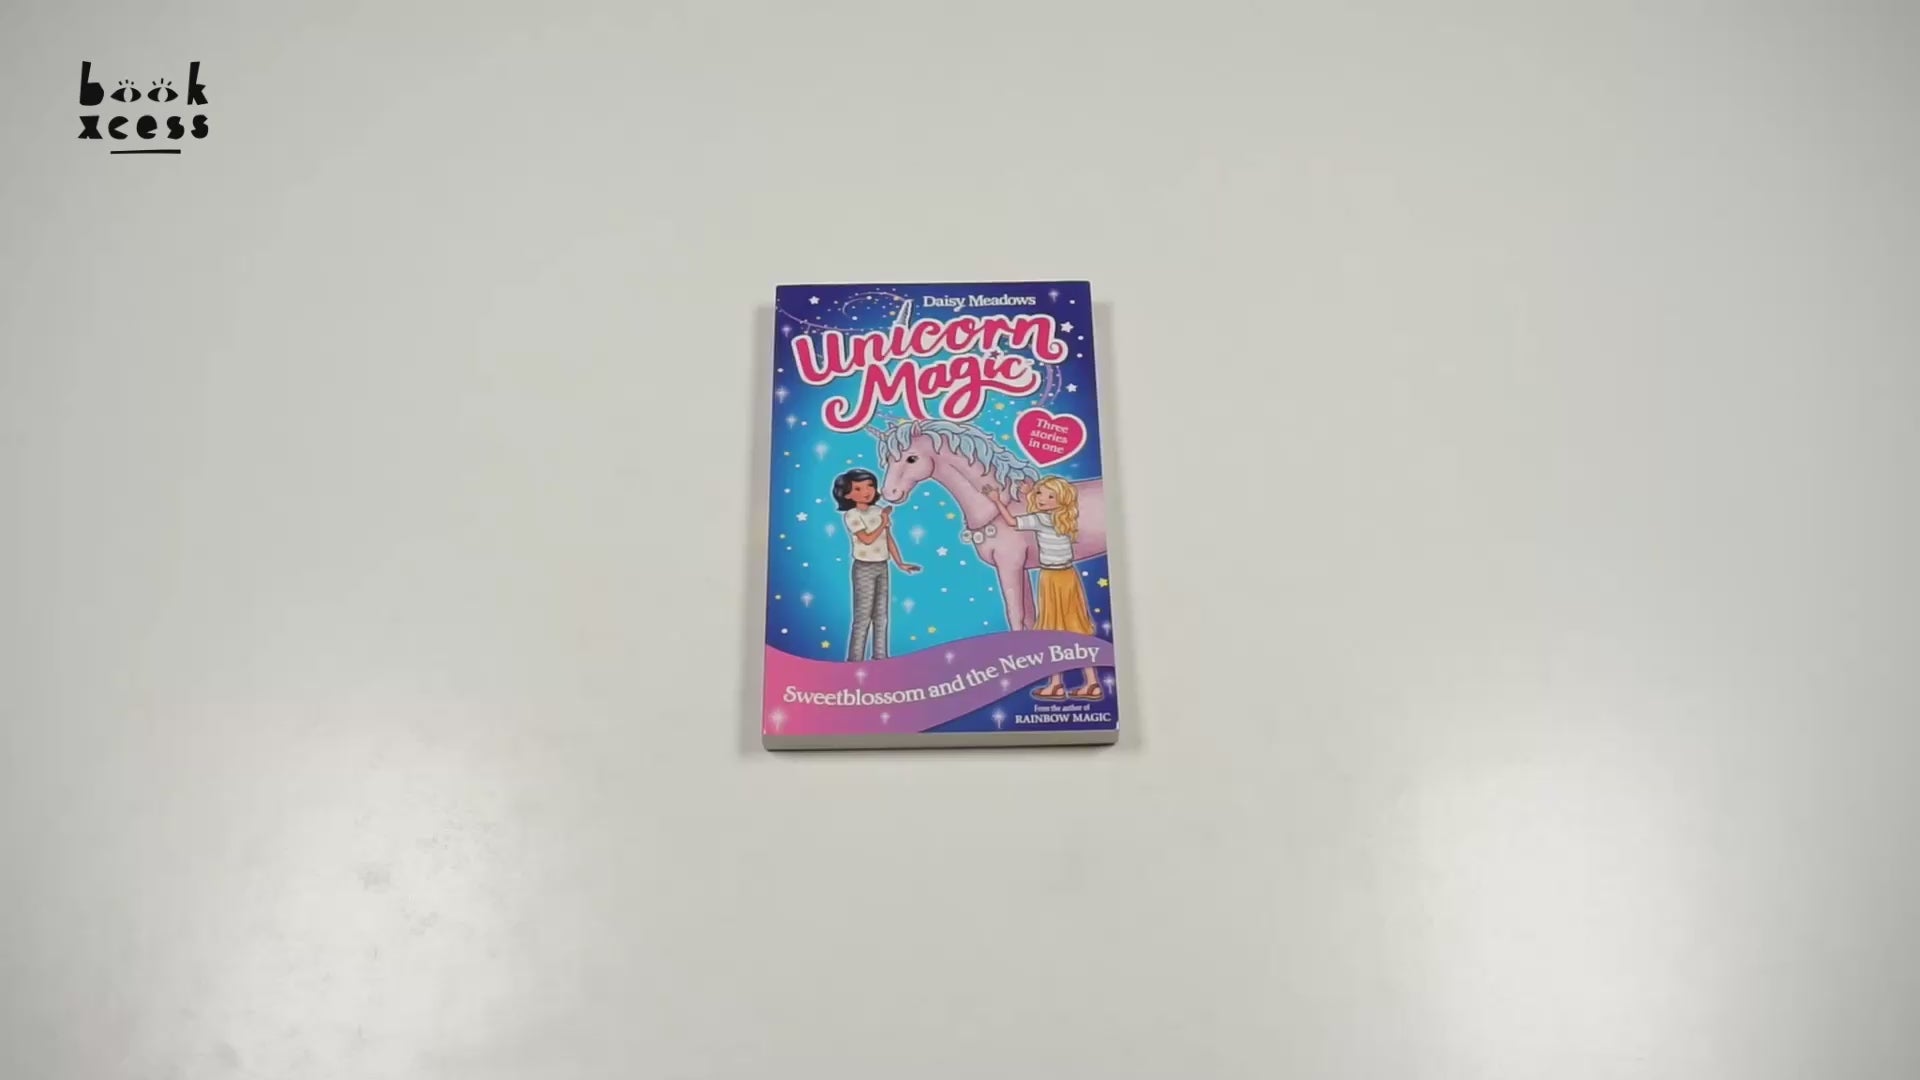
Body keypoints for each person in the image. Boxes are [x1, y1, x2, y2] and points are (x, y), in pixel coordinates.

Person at [988, 475, 1101, 699]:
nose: (1042, 499)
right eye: (1040, 493)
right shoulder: (1064, 517)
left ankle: (1057, 684)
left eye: (1050, 496)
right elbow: (1039, 508)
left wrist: (997, 501)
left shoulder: (1042, 519)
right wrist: (1030, 494)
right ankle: (1091, 682)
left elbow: (1012, 522)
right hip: (1068, 576)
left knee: (1051, 631)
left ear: (1061, 500)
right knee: (1076, 628)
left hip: (1051, 578)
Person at [833, 468, 919, 661]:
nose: (866, 491)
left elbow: (888, 539)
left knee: (881, 616)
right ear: (847, 494)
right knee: (863, 617)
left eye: (870, 485)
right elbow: (867, 539)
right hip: (864, 567)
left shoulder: (878, 511)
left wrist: (900, 563)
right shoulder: (852, 515)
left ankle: (880, 656)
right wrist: (883, 521)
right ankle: (855, 660)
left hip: (882, 565)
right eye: (858, 488)